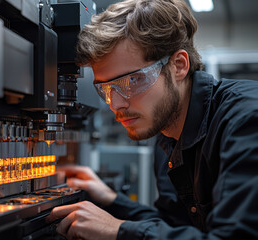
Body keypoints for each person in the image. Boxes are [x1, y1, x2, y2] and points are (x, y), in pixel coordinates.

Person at [46, 0, 258, 239]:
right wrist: (112, 200)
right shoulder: (167, 137)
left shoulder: (246, 120)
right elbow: (176, 228)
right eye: (106, 89)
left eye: (132, 81)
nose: (116, 105)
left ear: (179, 65)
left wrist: (118, 231)